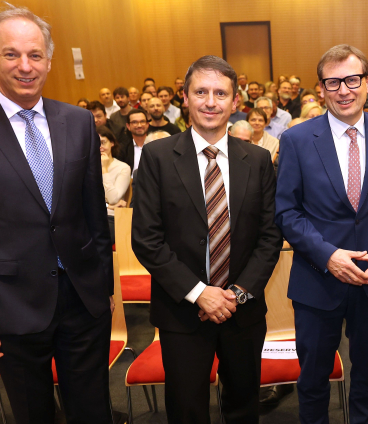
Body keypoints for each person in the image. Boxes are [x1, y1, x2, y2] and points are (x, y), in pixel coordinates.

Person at [0, 5, 115, 423]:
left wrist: (102, 285)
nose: (25, 66)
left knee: (92, 410)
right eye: (11, 54)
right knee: (34, 414)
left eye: (35, 54)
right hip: (10, 306)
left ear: (49, 60)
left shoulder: (78, 121)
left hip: (83, 301)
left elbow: (93, 214)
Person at [132, 55, 282, 423]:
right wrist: (201, 293)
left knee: (244, 406)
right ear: (184, 97)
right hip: (182, 311)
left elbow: (270, 236)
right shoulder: (157, 156)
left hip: (242, 309)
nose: (210, 102)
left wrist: (238, 294)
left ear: (235, 101)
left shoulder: (259, 159)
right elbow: (146, 239)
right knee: (186, 410)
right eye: (201, 91)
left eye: (220, 93)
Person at [276, 44, 368, 424]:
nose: (344, 90)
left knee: (367, 375)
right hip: (317, 280)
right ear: (321, 89)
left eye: (352, 80)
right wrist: (329, 256)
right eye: (333, 82)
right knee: (314, 380)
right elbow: (286, 212)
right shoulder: (297, 140)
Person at [97, 127, 131, 242]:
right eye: (96, 143)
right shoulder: (87, 167)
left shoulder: (123, 168)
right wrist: (108, 206)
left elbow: (113, 198)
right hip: (92, 214)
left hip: (111, 218)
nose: (100, 147)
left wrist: (104, 169)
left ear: (112, 143)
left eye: (103, 142)